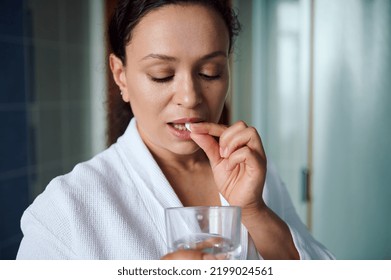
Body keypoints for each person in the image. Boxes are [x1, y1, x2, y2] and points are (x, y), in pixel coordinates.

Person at [17, 0, 334, 260]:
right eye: (162, 74)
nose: (190, 97)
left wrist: (255, 211)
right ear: (121, 76)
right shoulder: (65, 211)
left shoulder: (254, 176)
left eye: (210, 73)